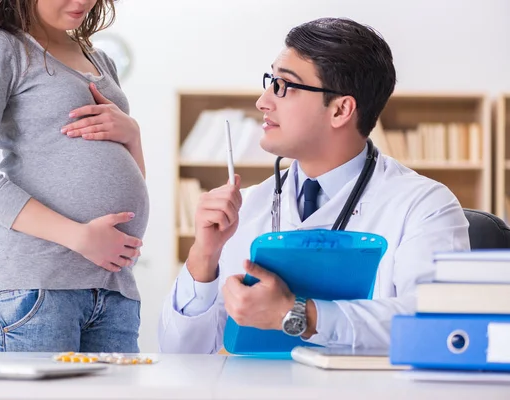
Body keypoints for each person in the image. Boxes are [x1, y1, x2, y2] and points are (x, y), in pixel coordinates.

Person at [158, 17, 470, 353]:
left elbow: (440, 326)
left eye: (284, 85)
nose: (263, 101)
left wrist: (297, 314)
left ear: (340, 110)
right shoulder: (244, 207)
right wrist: (203, 257)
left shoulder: (423, 205)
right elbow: (180, 356)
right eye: (269, 81)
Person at [0, 0, 149, 353]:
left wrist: (133, 134)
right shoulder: (1, 48)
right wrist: (77, 236)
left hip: (114, 290)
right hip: (37, 289)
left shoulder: (101, 61)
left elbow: (126, 177)